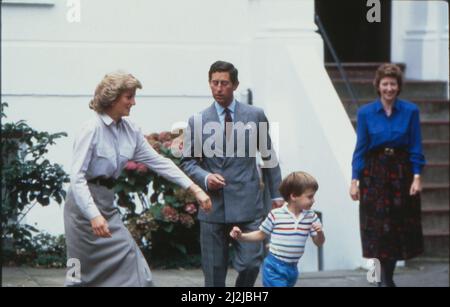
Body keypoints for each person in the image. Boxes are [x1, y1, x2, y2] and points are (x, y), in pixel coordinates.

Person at [64, 71, 211, 287]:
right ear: (112, 97)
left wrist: (195, 189)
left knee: (134, 265)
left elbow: (160, 162)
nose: (133, 102)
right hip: (81, 210)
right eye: (129, 96)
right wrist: (93, 216)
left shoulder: (130, 130)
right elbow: (77, 178)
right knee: (78, 274)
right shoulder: (91, 129)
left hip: (107, 206)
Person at [180, 61, 283, 287]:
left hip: (248, 205)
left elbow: (269, 157)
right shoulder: (198, 121)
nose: (218, 88)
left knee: (250, 264)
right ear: (209, 84)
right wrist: (206, 177)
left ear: (235, 85)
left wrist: (277, 195)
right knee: (214, 275)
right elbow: (187, 162)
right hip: (213, 206)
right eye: (214, 83)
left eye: (224, 83)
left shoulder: (255, 115)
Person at [350, 63, 426, 287]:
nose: (389, 88)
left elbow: (416, 146)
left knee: (396, 227)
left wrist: (417, 176)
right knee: (377, 228)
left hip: (401, 174)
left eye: (393, 84)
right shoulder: (365, 113)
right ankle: (384, 280)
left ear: (398, 86)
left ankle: (388, 278)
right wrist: (354, 180)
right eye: (385, 84)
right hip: (374, 174)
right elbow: (360, 149)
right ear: (378, 86)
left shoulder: (411, 111)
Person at [230, 171, 325, 287]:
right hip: (274, 267)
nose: (313, 200)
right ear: (294, 196)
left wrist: (320, 233)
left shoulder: (311, 217)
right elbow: (261, 234)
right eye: (310, 196)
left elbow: (319, 242)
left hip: (293, 269)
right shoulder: (276, 215)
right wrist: (241, 236)